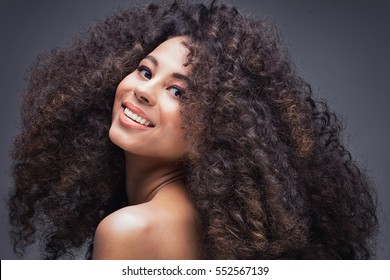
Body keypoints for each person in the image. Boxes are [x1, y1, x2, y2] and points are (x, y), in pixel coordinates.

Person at [9, 0, 377, 259]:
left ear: (217, 128)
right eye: (145, 71)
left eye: (178, 92)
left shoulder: (131, 229)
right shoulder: (214, 232)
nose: (143, 90)